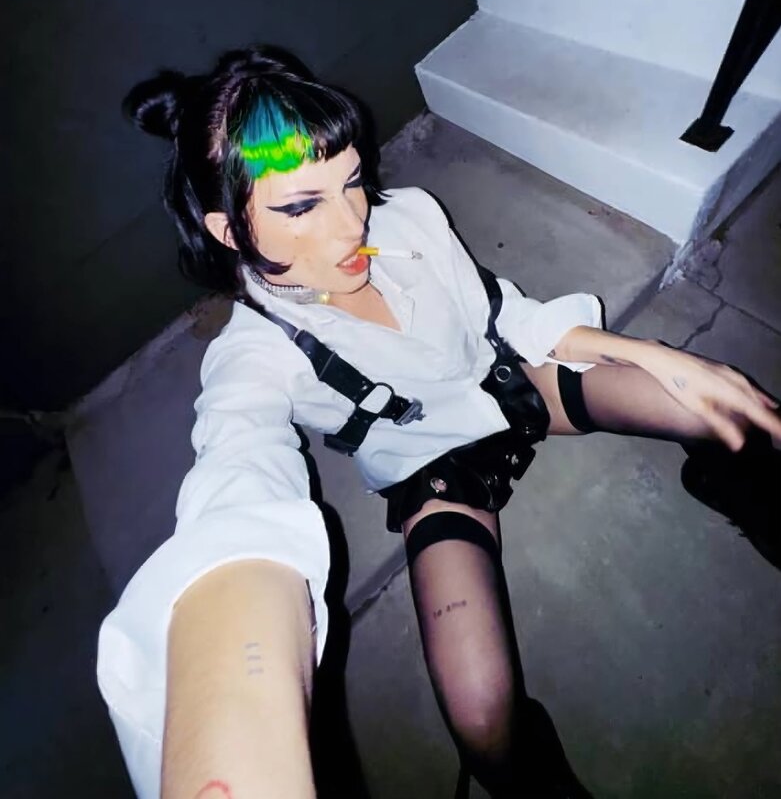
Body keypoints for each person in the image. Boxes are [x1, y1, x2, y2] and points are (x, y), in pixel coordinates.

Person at [98, 45, 781, 799]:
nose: (350, 224)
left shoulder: (409, 217)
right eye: (301, 206)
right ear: (231, 231)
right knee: (481, 717)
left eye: (351, 181)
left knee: (726, 409)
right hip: (435, 470)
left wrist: (652, 355)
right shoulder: (253, 355)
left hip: (511, 388)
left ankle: (741, 488)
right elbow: (234, 477)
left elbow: (503, 313)